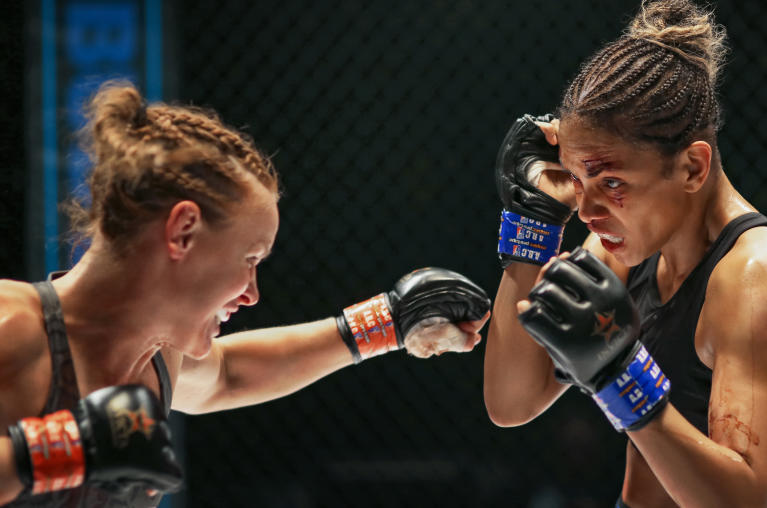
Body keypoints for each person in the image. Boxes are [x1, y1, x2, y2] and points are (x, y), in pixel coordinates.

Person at [0, 81, 490, 507]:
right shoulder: (12, 326)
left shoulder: (159, 358)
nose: (252, 294)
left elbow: (229, 374)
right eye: (249, 260)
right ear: (184, 231)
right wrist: (53, 450)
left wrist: (386, 321)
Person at [484, 0, 767, 507]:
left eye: (612, 181)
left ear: (692, 167)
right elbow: (511, 402)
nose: (588, 211)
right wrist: (533, 226)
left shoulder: (754, 282)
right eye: (576, 179)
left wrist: (618, 378)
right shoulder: (625, 247)